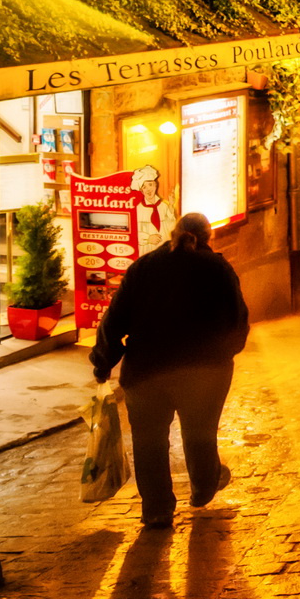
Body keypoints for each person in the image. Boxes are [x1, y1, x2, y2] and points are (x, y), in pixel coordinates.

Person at [89, 210, 249, 530]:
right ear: (208, 237)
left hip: (145, 371)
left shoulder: (143, 268)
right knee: (200, 431)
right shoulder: (217, 268)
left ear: (173, 233)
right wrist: (223, 354)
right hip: (203, 372)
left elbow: (114, 320)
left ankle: (157, 509)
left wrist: (103, 362)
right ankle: (204, 485)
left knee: (148, 441)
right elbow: (238, 321)